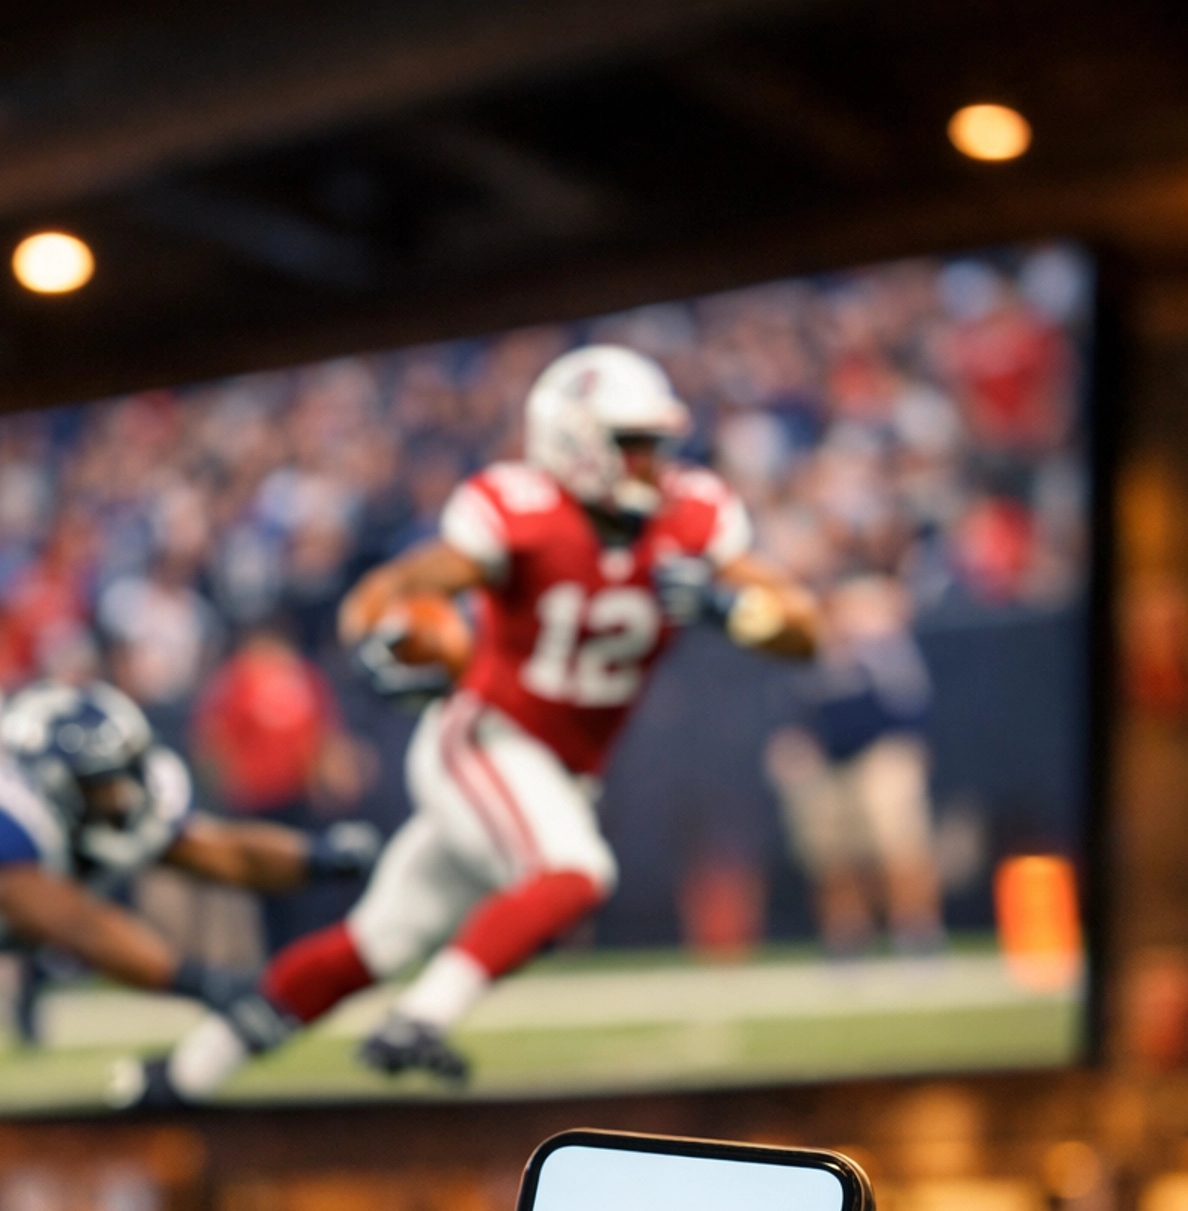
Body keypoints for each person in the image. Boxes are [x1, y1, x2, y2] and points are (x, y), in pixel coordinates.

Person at [148, 345, 816, 1102]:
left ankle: (178, 1075)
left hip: (558, 771)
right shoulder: (522, 512)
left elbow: (804, 628)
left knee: (374, 943)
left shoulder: (694, 515)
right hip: (487, 737)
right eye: (632, 446)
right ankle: (421, 1020)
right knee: (575, 873)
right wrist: (377, 634)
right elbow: (400, 586)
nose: (653, 466)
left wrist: (736, 611)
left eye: (656, 446)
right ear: (575, 443)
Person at [0, 677, 377, 1006]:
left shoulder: (108, 806)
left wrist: (324, 859)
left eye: (124, 773)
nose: (121, 797)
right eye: (100, 784)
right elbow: (77, 925)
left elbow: (222, 851)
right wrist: (207, 984)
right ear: (52, 786)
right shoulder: (0, 818)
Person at [764, 572, 943, 955]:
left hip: (881, 752)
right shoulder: (809, 654)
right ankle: (846, 938)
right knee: (830, 854)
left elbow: (909, 705)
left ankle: (917, 934)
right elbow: (793, 712)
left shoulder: (882, 648)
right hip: (827, 762)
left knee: (898, 843)